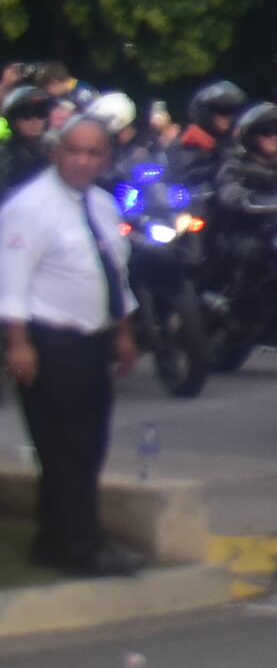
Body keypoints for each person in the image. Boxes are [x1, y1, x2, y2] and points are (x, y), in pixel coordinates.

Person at [2, 108, 145, 574]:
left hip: (91, 341)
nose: (83, 161)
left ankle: (54, 539)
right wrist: (19, 344)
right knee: (70, 447)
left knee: (85, 444)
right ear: (57, 152)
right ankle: (82, 546)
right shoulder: (31, 206)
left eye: (94, 153)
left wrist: (123, 332)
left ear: (106, 158)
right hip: (51, 340)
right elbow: (12, 282)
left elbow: (114, 274)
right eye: (74, 151)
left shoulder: (101, 205)